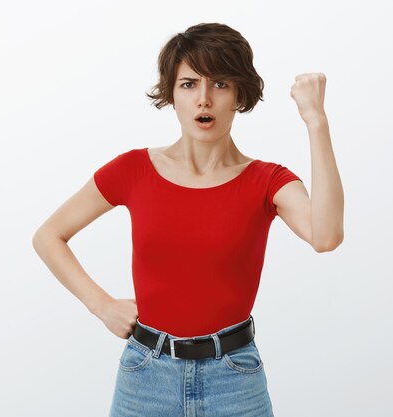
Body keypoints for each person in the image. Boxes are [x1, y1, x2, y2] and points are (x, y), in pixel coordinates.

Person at [32, 22, 344, 417]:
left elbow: (327, 236)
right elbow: (49, 235)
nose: (203, 100)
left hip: (235, 380)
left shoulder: (267, 181)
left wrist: (316, 121)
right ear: (171, 95)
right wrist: (101, 305)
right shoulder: (133, 169)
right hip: (145, 377)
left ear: (239, 95)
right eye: (188, 84)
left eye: (219, 84)